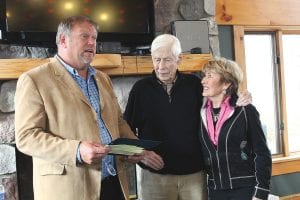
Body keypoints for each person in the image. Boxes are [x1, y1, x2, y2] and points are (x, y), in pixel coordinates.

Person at [14, 15, 163, 200]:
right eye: (84, 36)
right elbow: (26, 137)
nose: (92, 43)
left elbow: (117, 121)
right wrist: (76, 151)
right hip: (69, 190)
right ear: (63, 40)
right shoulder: (34, 80)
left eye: (94, 38)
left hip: (114, 184)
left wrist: (134, 147)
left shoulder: (102, 78)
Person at [124, 34, 252, 200]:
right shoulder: (140, 89)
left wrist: (242, 97)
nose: (161, 66)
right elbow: (125, 128)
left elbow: (222, 104)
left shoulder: (195, 85)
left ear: (179, 59)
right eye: (156, 59)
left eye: (167, 60)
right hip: (155, 178)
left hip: (195, 176)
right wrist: (142, 153)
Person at [199, 57, 272, 200]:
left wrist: (261, 192)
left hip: (245, 189)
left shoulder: (245, 110)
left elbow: (262, 153)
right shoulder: (200, 112)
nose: (203, 81)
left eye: (210, 76)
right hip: (215, 190)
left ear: (226, 83)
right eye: (204, 76)